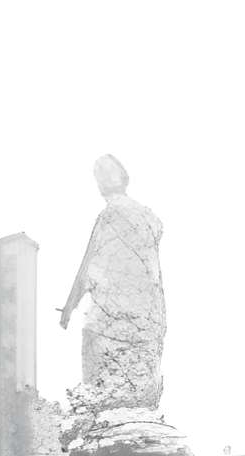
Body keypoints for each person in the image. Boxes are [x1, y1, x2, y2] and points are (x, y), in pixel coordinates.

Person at [60, 156, 166, 417]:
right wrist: (69, 306)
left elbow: (149, 263)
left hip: (138, 309)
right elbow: (89, 262)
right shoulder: (109, 216)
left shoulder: (135, 214)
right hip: (111, 306)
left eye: (109, 170)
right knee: (93, 337)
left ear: (123, 175)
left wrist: (70, 306)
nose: (104, 177)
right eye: (98, 173)